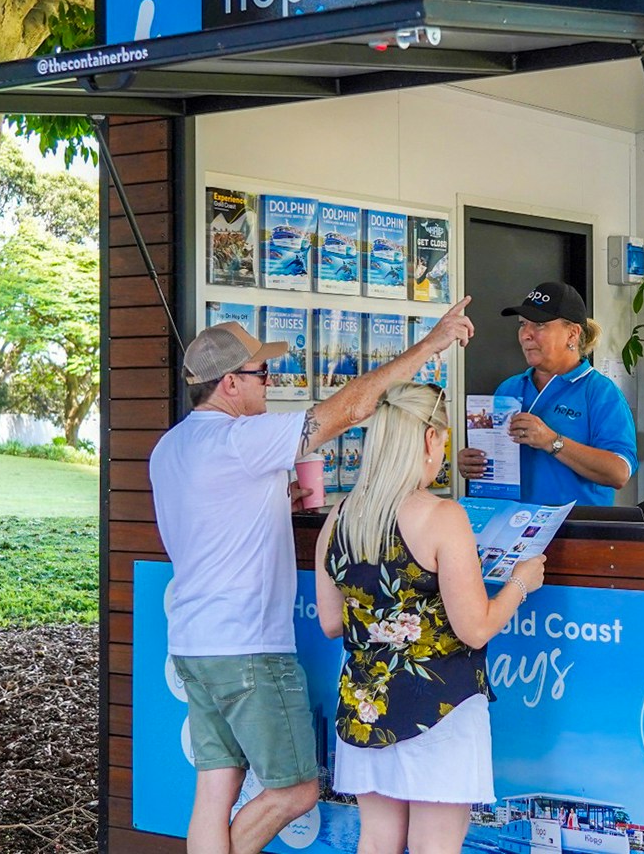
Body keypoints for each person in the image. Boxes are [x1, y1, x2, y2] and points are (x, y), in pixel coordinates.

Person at [150, 300, 473, 854]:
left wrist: (278, 498)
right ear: (229, 383)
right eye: (262, 374)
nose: (269, 385)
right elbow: (349, 410)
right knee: (297, 791)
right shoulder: (240, 440)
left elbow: (215, 514)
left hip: (192, 642)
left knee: (212, 792)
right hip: (248, 645)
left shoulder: (171, 447)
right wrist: (429, 346)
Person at [314, 382, 546, 854]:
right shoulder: (442, 516)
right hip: (441, 708)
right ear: (426, 439)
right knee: (434, 845)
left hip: (365, 705)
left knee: (377, 840)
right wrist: (522, 583)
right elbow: (475, 627)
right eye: (441, 439)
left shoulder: (339, 516)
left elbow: (331, 622)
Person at [457, 281, 637, 505]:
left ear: (572, 334)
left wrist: (552, 441)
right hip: (511, 527)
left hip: (574, 531)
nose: (526, 335)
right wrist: (473, 463)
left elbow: (619, 473)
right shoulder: (509, 388)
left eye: (539, 325)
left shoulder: (600, 392)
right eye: (523, 324)